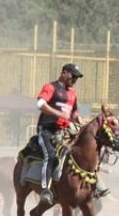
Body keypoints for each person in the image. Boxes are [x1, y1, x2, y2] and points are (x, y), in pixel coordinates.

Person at [34, 63, 83, 205]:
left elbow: (74, 114)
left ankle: (94, 187)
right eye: (73, 76)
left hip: (66, 132)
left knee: (83, 154)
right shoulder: (50, 87)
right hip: (47, 130)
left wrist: (82, 124)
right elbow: (40, 104)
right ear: (64, 73)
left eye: (77, 78)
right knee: (50, 156)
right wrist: (59, 114)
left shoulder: (72, 93)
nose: (74, 80)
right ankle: (45, 190)